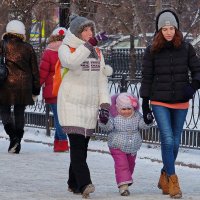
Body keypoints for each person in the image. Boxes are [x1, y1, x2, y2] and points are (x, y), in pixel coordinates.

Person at [140, 10, 200, 199]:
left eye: (171, 28)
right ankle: (173, 180)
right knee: (167, 139)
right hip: (159, 100)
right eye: (164, 29)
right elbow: (147, 78)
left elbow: (198, 71)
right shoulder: (152, 51)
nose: (168, 32)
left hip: (181, 101)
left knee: (175, 142)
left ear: (176, 29)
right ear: (159, 31)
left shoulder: (187, 48)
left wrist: (192, 87)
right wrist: (145, 104)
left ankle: (164, 174)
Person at [57, 14, 112, 198]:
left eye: (91, 30)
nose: (89, 33)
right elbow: (71, 63)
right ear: (77, 33)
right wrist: (89, 45)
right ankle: (85, 184)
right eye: (86, 30)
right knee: (78, 146)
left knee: (81, 149)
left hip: (89, 106)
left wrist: (104, 104)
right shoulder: (66, 48)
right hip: (71, 104)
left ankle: (73, 183)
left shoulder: (97, 52)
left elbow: (101, 79)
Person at [98, 92, 152, 196]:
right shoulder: (114, 117)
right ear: (118, 108)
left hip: (133, 146)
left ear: (133, 108)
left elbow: (142, 125)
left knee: (130, 165)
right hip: (117, 145)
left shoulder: (137, 116)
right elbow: (108, 127)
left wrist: (147, 120)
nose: (126, 111)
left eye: (129, 109)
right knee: (122, 165)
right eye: (123, 109)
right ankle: (123, 187)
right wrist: (104, 121)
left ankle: (125, 179)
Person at [0, 20, 40, 154]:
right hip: (24, 85)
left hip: (5, 84)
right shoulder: (28, 47)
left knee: (4, 111)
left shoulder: (2, 45)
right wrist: (36, 89)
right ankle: (18, 140)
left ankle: (13, 137)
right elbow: (35, 70)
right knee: (19, 113)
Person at [39, 27, 69, 152]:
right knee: (62, 118)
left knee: (58, 118)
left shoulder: (48, 52)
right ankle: (62, 143)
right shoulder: (69, 51)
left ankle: (59, 144)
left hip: (52, 91)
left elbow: (42, 73)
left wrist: (36, 87)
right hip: (67, 89)